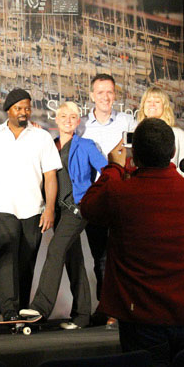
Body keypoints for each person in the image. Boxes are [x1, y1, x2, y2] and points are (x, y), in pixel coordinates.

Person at [81, 118, 184, 367]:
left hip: (141, 316)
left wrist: (114, 166)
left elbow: (89, 207)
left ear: (134, 154)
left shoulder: (120, 191)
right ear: (173, 152)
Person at [20, 102, 107, 329]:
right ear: (56, 120)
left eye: (73, 117)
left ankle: (40, 308)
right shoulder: (50, 145)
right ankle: (81, 316)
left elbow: (107, 171)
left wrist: (92, 198)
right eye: (64, 116)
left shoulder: (86, 145)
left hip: (77, 209)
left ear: (78, 121)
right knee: (73, 259)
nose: (68, 120)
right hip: (58, 211)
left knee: (56, 249)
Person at [0, 88, 61, 321]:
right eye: (18, 108)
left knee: (27, 259)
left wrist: (49, 208)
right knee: (6, 258)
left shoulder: (42, 137)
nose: (24, 112)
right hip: (2, 205)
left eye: (27, 108)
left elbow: (50, 176)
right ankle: (8, 310)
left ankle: (23, 309)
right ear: (8, 110)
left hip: (33, 208)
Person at [76, 73, 136, 312]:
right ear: (92, 96)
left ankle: (127, 306)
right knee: (99, 256)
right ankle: (108, 307)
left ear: (115, 94)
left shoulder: (127, 122)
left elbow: (133, 157)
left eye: (109, 92)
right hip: (95, 197)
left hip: (123, 197)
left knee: (125, 255)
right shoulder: (80, 125)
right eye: (100, 92)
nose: (105, 97)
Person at [137, 86, 184, 175]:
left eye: (157, 102)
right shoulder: (134, 134)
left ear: (164, 106)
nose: (152, 105)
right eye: (148, 101)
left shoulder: (180, 136)